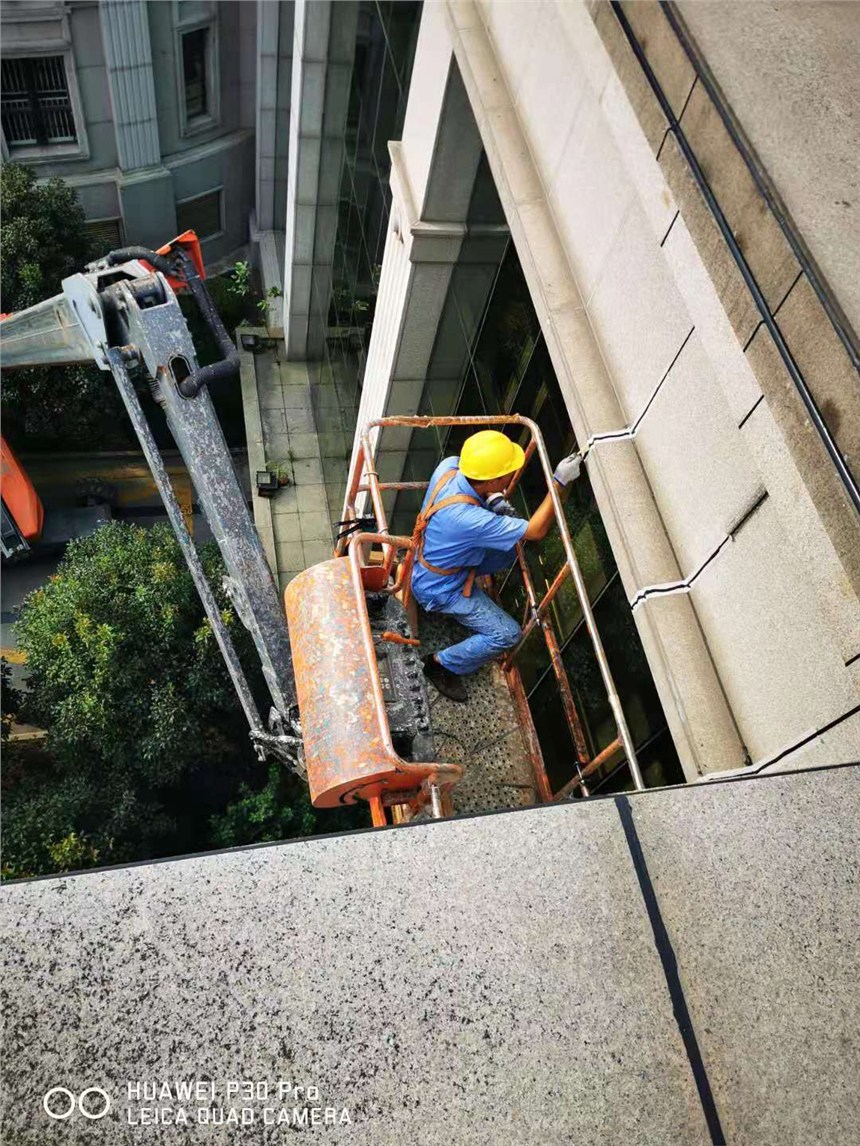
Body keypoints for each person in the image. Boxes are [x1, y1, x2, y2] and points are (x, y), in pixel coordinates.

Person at [411, 429, 582, 702]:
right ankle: (440, 663)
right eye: (506, 476)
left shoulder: (450, 466)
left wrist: (493, 498)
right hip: (439, 589)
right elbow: (537, 530)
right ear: (491, 479)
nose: (510, 478)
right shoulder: (467, 519)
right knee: (508, 634)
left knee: (508, 553)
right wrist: (559, 482)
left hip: (429, 559)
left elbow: (479, 495)